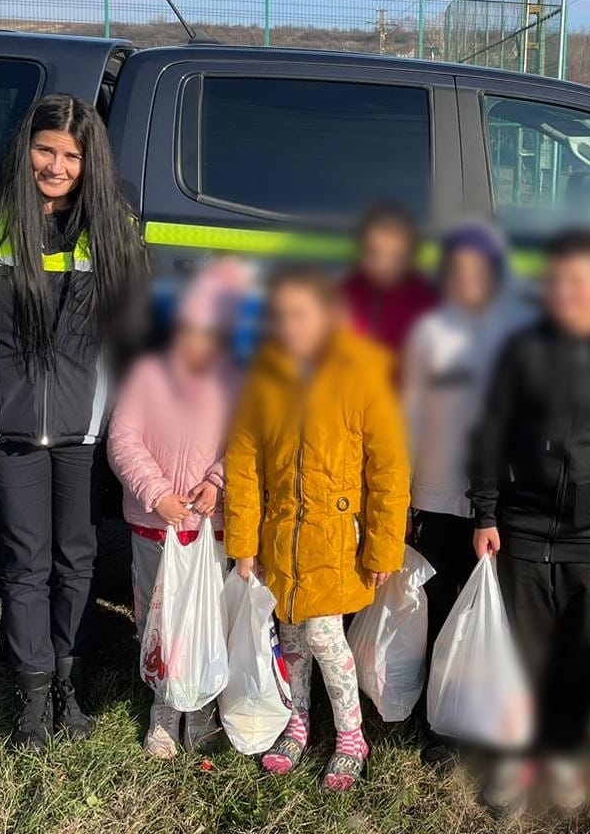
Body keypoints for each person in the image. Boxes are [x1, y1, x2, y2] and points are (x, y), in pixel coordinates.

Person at [0, 94, 146, 750]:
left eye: (73, 155)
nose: (57, 166)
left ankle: (72, 686)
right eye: (45, 149)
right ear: (26, 148)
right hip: (7, 427)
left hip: (83, 429)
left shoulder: (113, 223)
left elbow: (133, 331)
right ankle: (33, 695)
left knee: (77, 560)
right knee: (24, 564)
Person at [468, 227, 590, 814]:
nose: (566, 293)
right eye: (556, 281)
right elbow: (488, 434)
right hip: (522, 530)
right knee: (522, 651)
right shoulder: (520, 350)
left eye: (579, 282)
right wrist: (486, 513)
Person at [224, 267, 410, 792]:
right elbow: (243, 466)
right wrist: (244, 544)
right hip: (281, 539)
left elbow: (389, 470)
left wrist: (383, 548)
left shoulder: (363, 375)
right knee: (290, 636)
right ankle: (298, 719)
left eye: (302, 315)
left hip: (335, 540)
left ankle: (351, 735)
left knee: (326, 638)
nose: (291, 326)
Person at [401, 220, 535, 763]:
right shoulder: (429, 336)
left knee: (492, 606)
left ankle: (486, 708)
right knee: (437, 605)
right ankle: (440, 718)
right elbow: (409, 420)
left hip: (500, 506)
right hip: (436, 496)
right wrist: (403, 497)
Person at [107, 259, 249, 759]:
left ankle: (203, 703)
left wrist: (217, 482)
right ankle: (165, 705)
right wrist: (157, 494)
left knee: (207, 615)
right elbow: (123, 440)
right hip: (155, 523)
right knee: (159, 614)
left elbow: (245, 446)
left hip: (209, 526)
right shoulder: (148, 375)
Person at [342, 202, 439, 363]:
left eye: (395, 256)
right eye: (374, 253)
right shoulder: (343, 298)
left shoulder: (429, 304)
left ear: (411, 257)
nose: (384, 265)